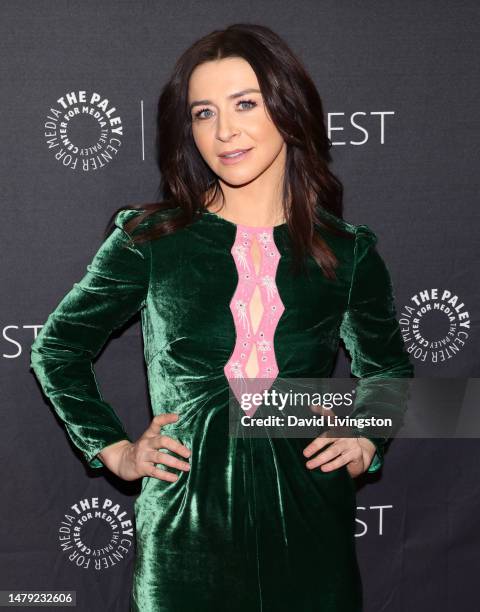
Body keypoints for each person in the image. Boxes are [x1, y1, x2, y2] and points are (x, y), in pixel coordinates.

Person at [30, 23, 414, 612]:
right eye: (203, 113)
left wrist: (366, 436)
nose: (224, 130)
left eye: (245, 104)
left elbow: (388, 369)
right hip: (185, 530)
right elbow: (57, 348)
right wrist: (115, 449)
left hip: (310, 523)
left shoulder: (348, 251)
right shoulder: (151, 239)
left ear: (288, 109)